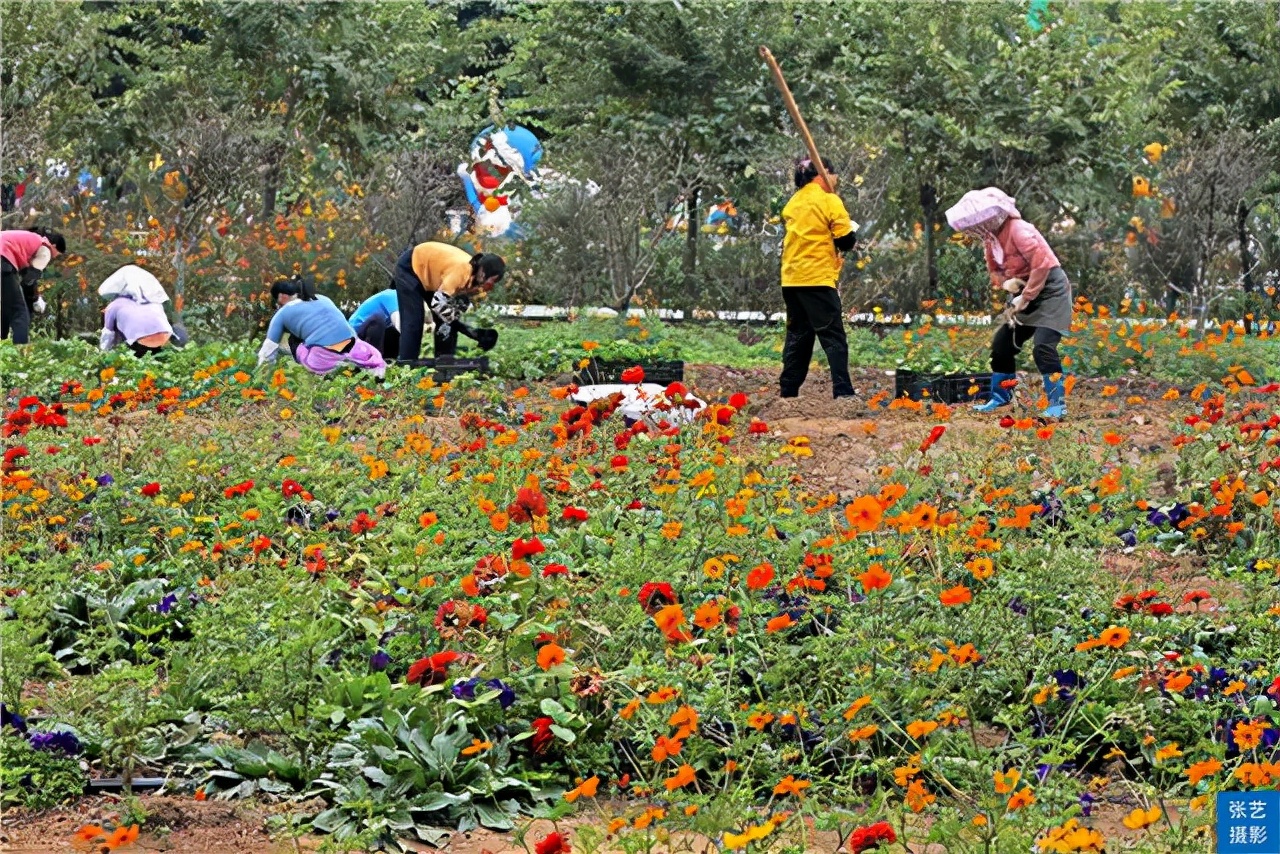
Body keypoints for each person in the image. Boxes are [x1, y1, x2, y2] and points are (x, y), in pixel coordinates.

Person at [947, 187, 1072, 418]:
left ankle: (1057, 403)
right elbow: (994, 271)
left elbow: (1042, 266)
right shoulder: (990, 240)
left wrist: (1026, 296)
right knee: (1002, 344)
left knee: (1043, 346)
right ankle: (1001, 396)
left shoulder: (1019, 230)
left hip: (1050, 290)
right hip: (1024, 290)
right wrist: (1008, 283)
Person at [778, 158, 859, 400]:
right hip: (817, 279)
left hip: (792, 279)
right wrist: (850, 229)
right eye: (833, 175)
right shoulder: (829, 200)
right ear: (823, 175)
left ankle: (788, 392)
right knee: (833, 336)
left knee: (798, 337)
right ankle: (843, 392)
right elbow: (846, 241)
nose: (836, 180)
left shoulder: (794, 202)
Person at [392, 241, 504, 362]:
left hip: (434, 277)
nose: (490, 286)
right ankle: (407, 366)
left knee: (445, 323)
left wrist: (473, 332)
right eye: (491, 281)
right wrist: (470, 332)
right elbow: (438, 304)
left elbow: (452, 315)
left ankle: (445, 362)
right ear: (483, 273)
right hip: (412, 267)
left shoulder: (475, 281)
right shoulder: (462, 271)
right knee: (413, 322)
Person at [256, 276, 386, 378]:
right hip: (357, 349)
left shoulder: (281, 314)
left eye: (277, 302)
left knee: (294, 339)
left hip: (322, 360)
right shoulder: (323, 298)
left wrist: (261, 376)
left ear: (282, 296)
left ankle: (332, 366)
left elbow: (268, 352)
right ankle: (357, 363)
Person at [1, 227, 65, 345]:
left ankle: (2, 348)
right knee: (19, 312)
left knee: (5, 309)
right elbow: (30, 278)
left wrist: (33, 296)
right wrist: (35, 301)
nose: (54, 257)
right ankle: (20, 354)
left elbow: (26, 280)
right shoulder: (45, 247)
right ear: (54, 246)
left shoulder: (27, 243)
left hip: (4, 260)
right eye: (57, 255)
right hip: (3, 259)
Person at [97, 264, 176, 356]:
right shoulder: (154, 301)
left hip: (141, 344)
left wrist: (102, 353)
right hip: (165, 340)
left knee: (112, 323)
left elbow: (108, 334)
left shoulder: (114, 305)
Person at [348, 288, 401, 359]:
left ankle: (391, 359)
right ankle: (374, 362)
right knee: (378, 319)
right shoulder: (393, 296)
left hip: (368, 337)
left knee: (392, 331)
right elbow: (399, 325)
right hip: (354, 340)